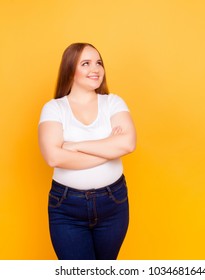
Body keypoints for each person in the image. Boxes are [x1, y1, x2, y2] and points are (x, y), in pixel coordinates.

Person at [38, 43, 136, 260]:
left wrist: (76, 146)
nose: (96, 69)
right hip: (67, 207)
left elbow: (128, 144)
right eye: (86, 63)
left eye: (99, 62)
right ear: (70, 69)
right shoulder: (54, 108)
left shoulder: (113, 102)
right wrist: (108, 146)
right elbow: (54, 157)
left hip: (114, 204)